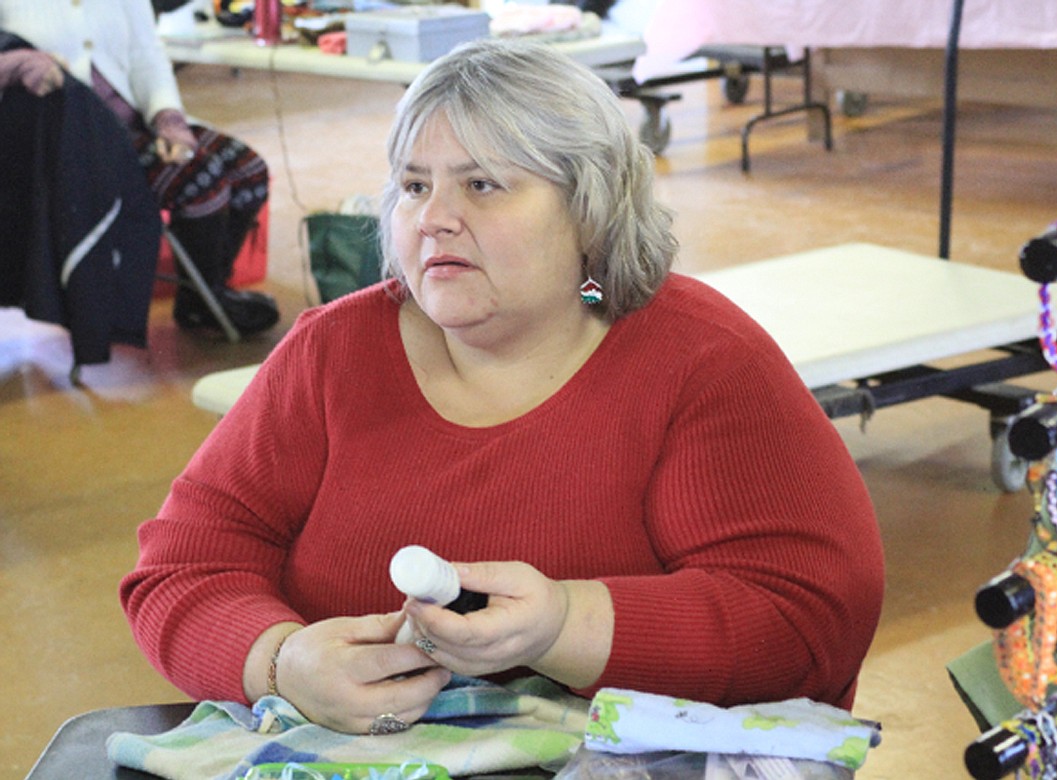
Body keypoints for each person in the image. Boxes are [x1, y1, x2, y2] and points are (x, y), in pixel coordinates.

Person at [120, 38, 884, 737]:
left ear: (590, 207)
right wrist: (281, 663)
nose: (435, 219)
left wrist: (565, 625)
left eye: (483, 185)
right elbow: (182, 569)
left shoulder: (700, 361)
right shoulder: (335, 350)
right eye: (414, 185)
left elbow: (809, 619)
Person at [0, 0, 279, 337]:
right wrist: (18, 63)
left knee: (248, 170)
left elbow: (148, 56)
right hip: (68, 143)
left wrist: (169, 119)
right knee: (199, 179)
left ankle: (204, 294)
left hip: (131, 122)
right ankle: (207, 302)